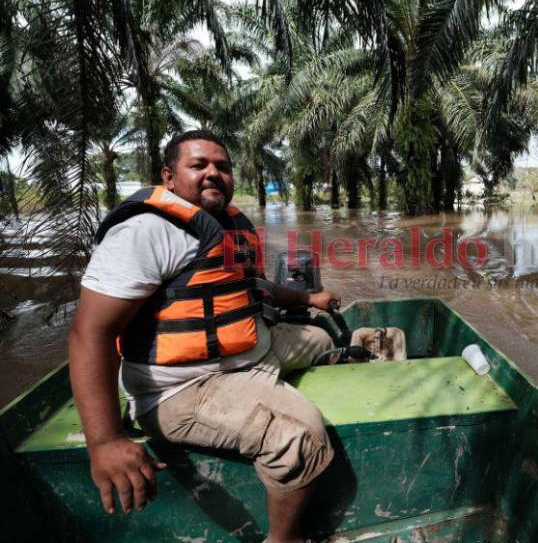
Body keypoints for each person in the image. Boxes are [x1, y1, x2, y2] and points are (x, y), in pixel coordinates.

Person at [69, 129, 338, 543]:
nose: (213, 173)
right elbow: (91, 333)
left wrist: (310, 298)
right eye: (198, 165)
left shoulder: (227, 225)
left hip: (253, 351)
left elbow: (253, 287)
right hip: (185, 386)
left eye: (222, 167)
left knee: (322, 340)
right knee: (300, 437)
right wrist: (103, 441)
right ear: (169, 177)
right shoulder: (146, 232)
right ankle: (285, 538)